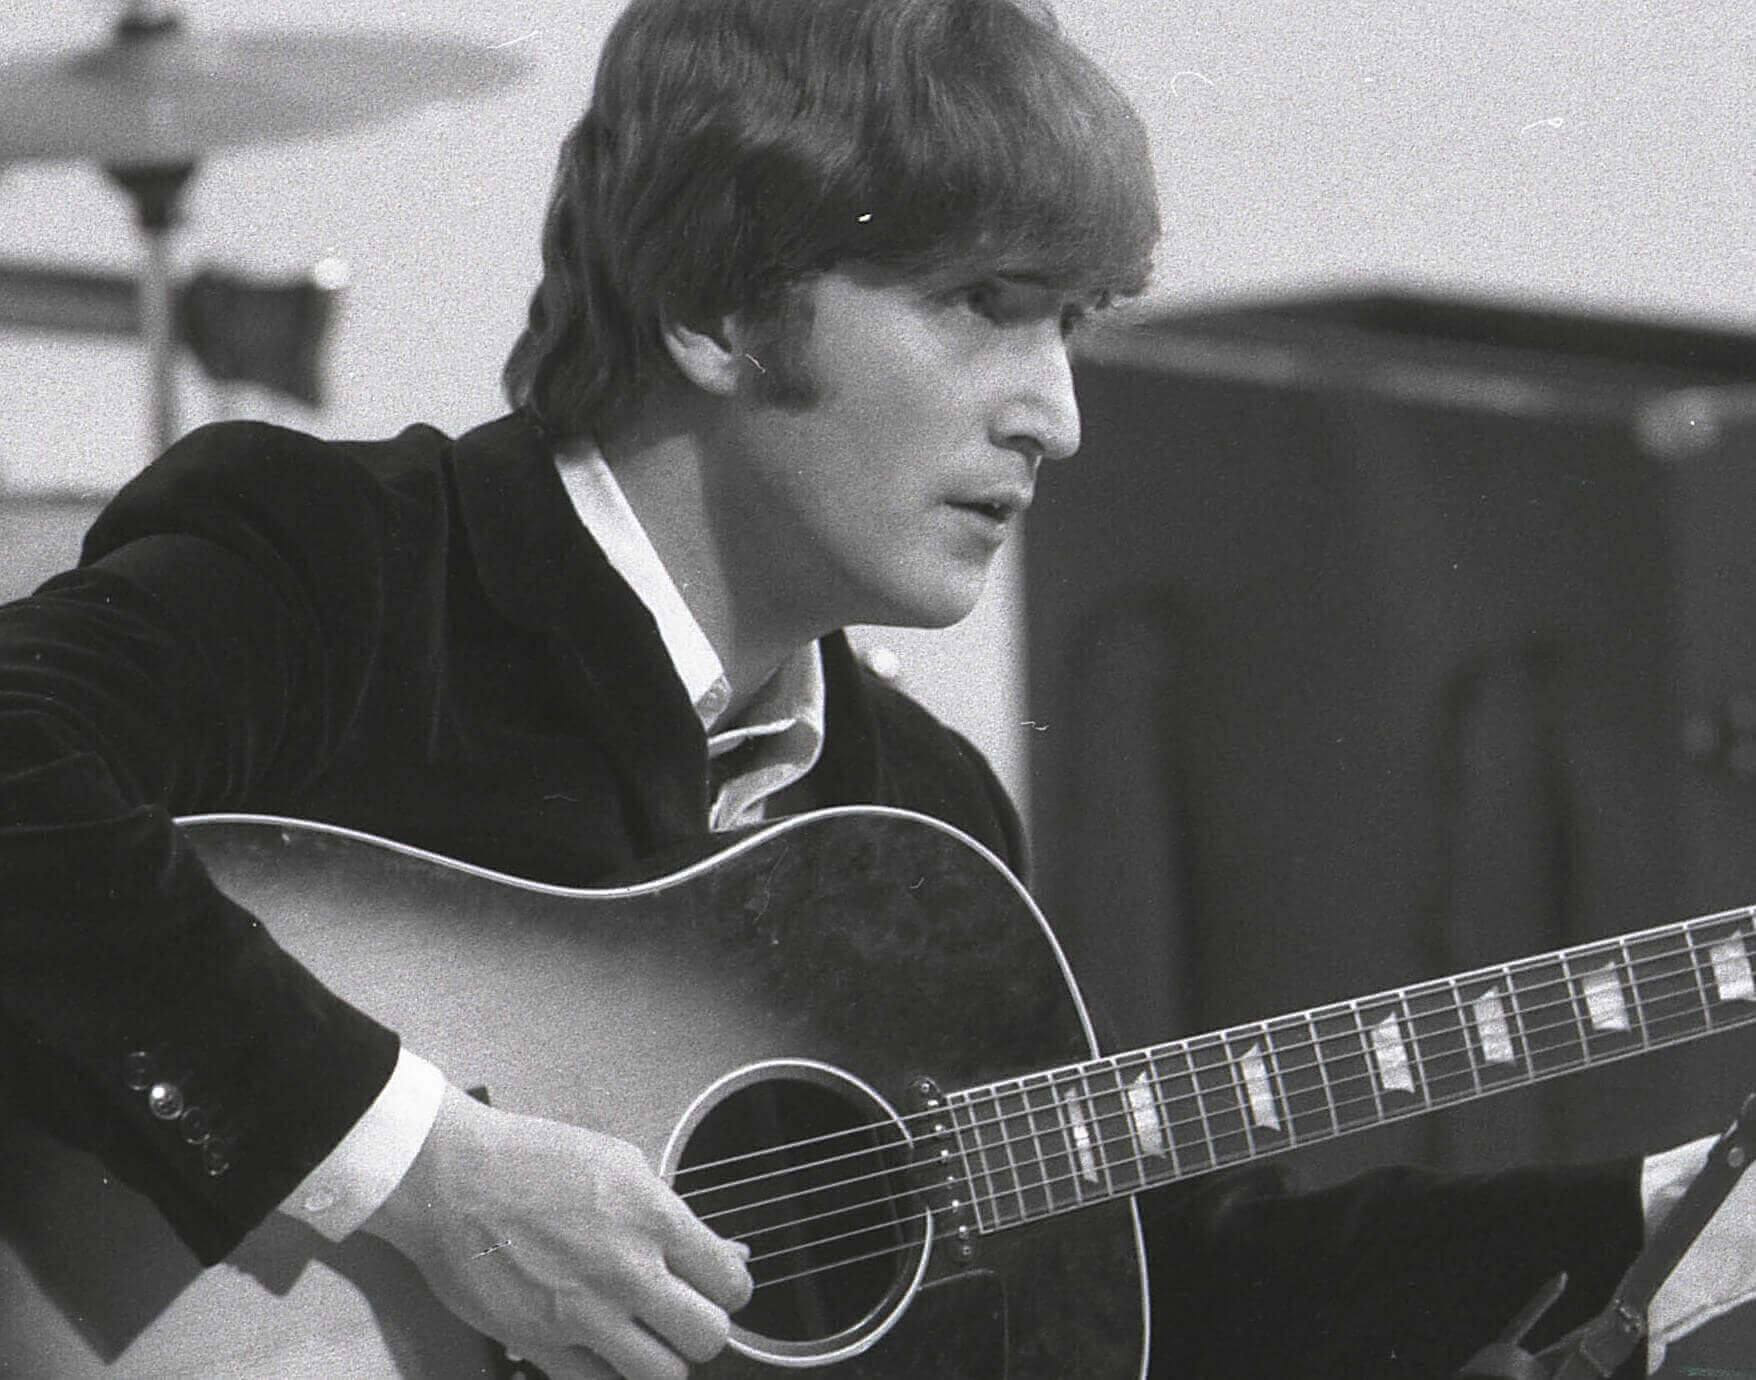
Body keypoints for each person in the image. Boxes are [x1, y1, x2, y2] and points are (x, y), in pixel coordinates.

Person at [1, 0, 1752, 1376]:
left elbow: (1125, 1292)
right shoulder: (348, 571)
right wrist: (433, 1178)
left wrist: (1662, 1219)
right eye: (987, 306)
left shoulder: (917, 818)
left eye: (1072, 323)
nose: (1056, 413)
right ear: (712, 302)